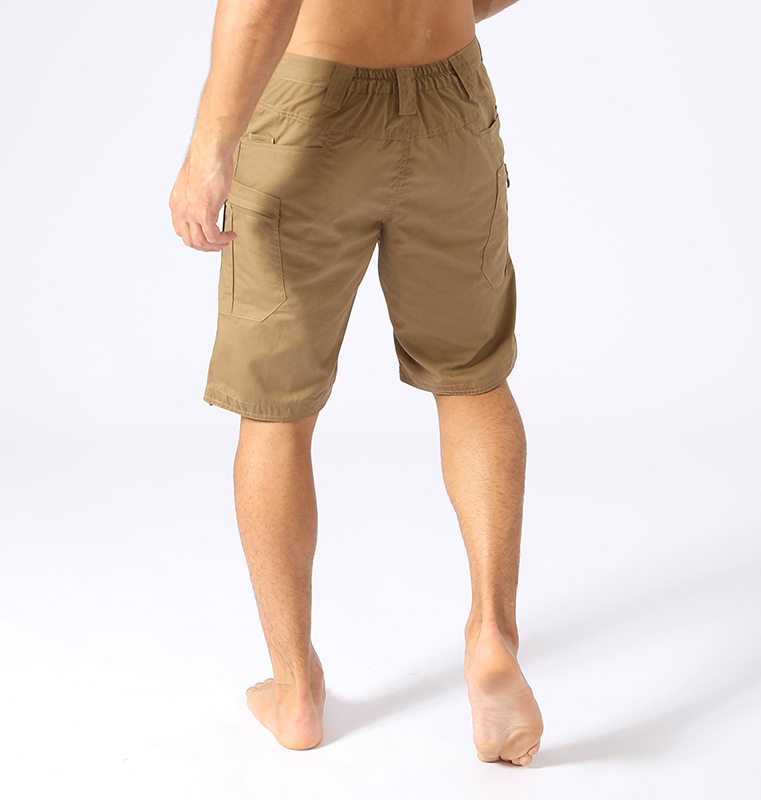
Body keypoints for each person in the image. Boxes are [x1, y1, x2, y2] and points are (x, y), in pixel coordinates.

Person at [169, 0, 544, 766]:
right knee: (472, 378)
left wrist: (209, 148)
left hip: (314, 102)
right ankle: (492, 633)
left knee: (275, 407)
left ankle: (295, 693)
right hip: (449, 92)